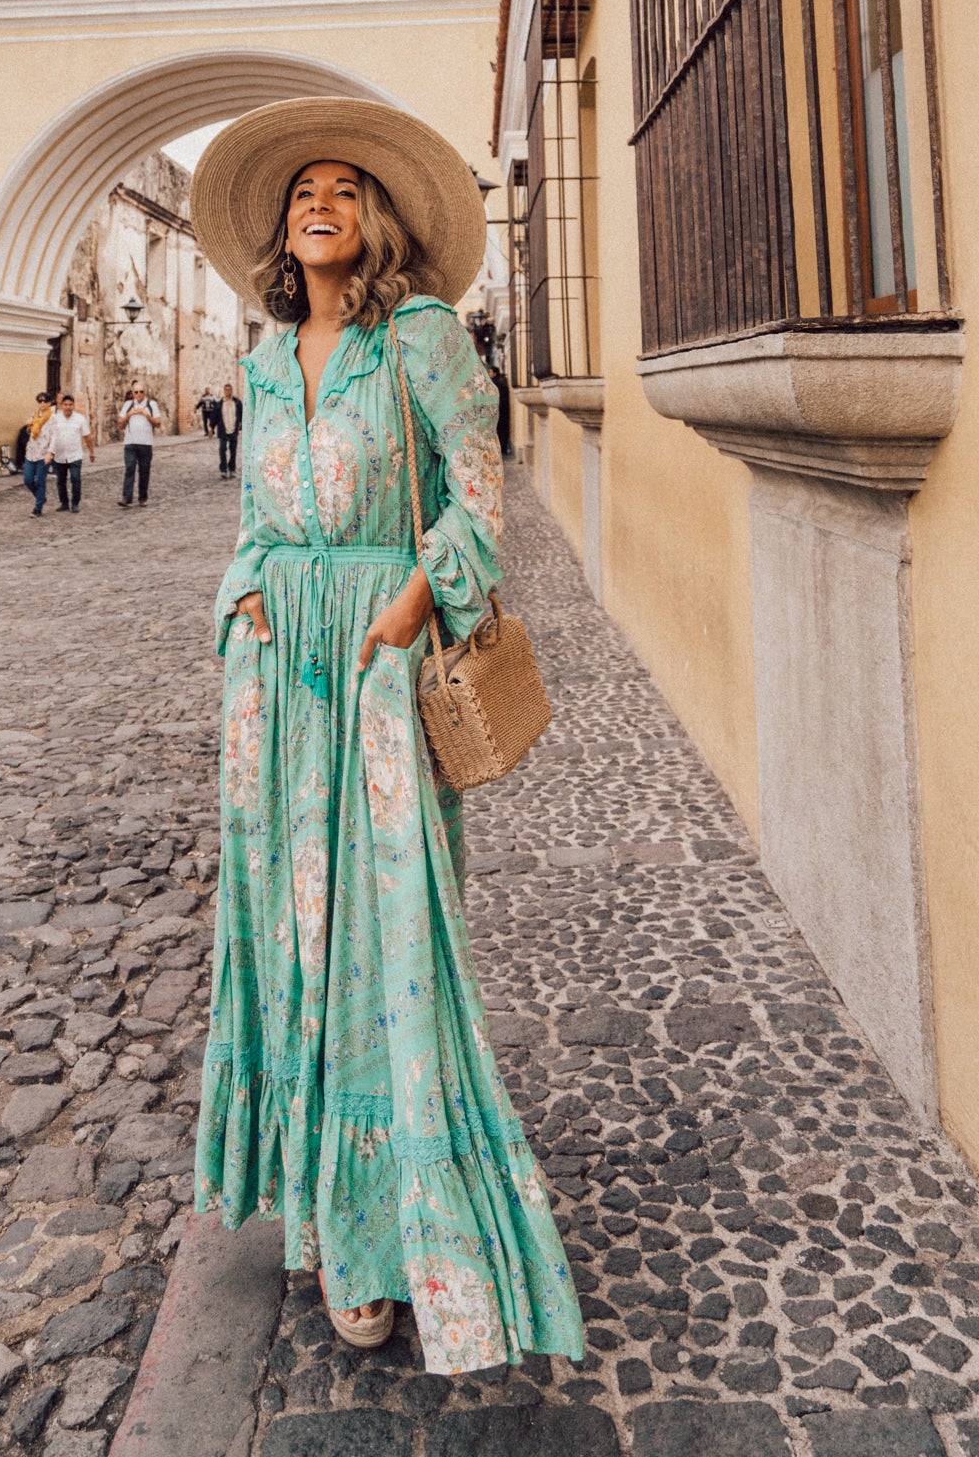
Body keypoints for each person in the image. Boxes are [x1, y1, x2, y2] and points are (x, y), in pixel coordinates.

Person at [187, 98, 584, 1372]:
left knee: (381, 936)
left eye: (347, 188)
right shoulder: (258, 359)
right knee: (289, 935)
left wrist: (402, 619)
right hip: (274, 680)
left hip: (374, 666)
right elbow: (253, 511)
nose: (322, 202)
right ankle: (315, 1207)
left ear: (380, 222)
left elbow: (478, 495)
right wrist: (245, 599)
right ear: (280, 228)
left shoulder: (418, 339)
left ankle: (385, 1233)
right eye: (304, 189)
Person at [48, 391, 94, 511]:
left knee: (75, 478)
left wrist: (92, 452)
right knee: (61, 481)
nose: (68, 407)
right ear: (62, 405)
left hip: (75, 455)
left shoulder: (80, 419)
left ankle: (75, 503)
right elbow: (49, 435)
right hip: (60, 455)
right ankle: (64, 503)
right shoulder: (55, 418)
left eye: (70, 405)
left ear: (73, 406)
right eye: (66, 404)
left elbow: (87, 436)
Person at [118, 382, 161, 506]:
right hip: (130, 443)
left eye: (141, 392)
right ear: (132, 393)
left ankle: (143, 498)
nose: (139, 394)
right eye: (136, 392)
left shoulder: (151, 404)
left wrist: (146, 415)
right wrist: (129, 415)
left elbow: (158, 423)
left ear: (145, 393)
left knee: (144, 471)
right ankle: (126, 497)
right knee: (129, 468)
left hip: (146, 443)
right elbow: (120, 424)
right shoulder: (128, 405)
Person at [22, 391, 55, 517]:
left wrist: (50, 453)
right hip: (31, 451)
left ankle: (38, 507)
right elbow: (29, 431)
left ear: (49, 403)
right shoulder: (34, 415)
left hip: (44, 452)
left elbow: (54, 437)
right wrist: (29, 425)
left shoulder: (52, 418)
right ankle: (41, 497)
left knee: (40, 481)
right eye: (40, 401)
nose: (42, 404)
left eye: (45, 401)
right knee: (28, 479)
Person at [216, 380, 242, 478]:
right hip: (223, 430)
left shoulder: (237, 402)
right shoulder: (219, 404)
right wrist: (211, 427)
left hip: (233, 429)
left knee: (233, 450)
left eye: (230, 390)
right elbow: (215, 416)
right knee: (222, 450)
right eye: (226, 390)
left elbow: (241, 414)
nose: (228, 392)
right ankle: (223, 470)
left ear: (232, 390)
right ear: (224, 391)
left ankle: (232, 469)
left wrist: (240, 423)